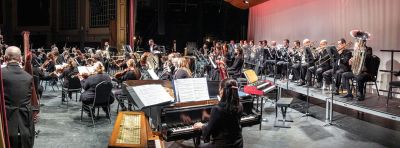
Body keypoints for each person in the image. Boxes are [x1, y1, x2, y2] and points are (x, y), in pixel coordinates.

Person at [193, 78, 243, 148]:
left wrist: (201, 126)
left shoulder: (217, 109)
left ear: (223, 90)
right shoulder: (239, 105)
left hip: (222, 145)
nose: (219, 90)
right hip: (238, 143)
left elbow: (208, 131)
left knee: (200, 146)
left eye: (219, 88)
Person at [2, 46, 35, 148]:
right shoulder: (29, 77)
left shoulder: (1, 74)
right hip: (26, 123)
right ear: (20, 58)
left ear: (5, 58)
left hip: (5, 124)